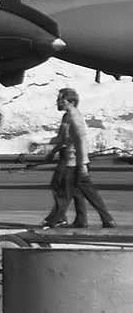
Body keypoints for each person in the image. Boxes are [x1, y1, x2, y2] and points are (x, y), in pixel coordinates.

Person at [44, 87, 115, 229]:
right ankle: (96, 220)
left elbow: (83, 142)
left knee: (63, 192)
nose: (58, 102)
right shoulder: (67, 116)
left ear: (71, 102)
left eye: (61, 99)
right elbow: (63, 139)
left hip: (76, 163)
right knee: (84, 192)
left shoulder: (76, 118)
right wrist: (49, 148)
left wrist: (82, 165)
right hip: (72, 161)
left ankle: (54, 220)